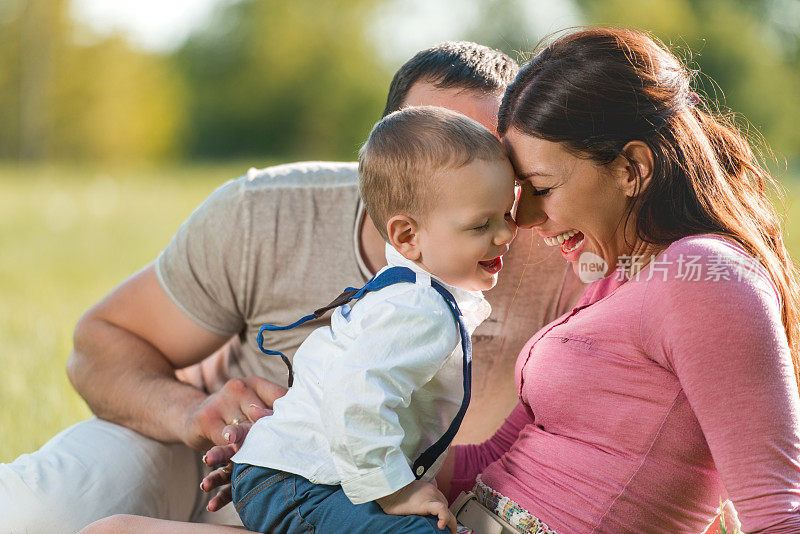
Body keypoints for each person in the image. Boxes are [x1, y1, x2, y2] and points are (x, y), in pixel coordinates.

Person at [195, 27, 800, 534]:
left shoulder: (705, 276)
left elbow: (777, 513)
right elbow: (491, 456)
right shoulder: (612, 279)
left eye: (540, 188)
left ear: (631, 168)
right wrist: (307, 456)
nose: (527, 221)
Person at [0, 42, 582, 532]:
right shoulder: (266, 213)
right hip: (213, 464)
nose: (464, 177)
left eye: (490, 158)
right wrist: (191, 410)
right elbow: (99, 343)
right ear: (381, 156)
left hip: (379, 496)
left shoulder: (557, 250)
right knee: (36, 510)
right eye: (431, 142)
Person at [228, 107, 516, 533]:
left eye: (507, 214)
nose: (507, 234)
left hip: (308, 476)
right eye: (481, 224)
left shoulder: (408, 290)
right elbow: (356, 395)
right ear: (407, 237)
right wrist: (398, 491)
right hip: (303, 482)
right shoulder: (420, 308)